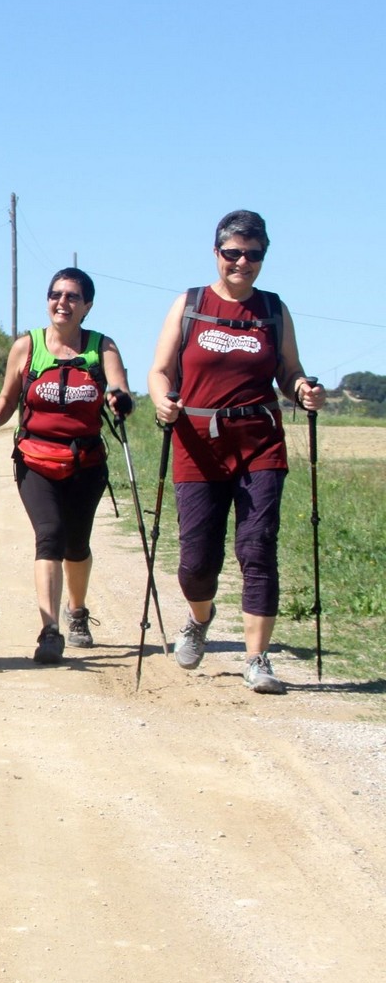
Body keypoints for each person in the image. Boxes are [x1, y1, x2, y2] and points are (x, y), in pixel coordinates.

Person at [147, 209, 325, 695]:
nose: (243, 262)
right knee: (197, 560)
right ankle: (199, 618)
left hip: (259, 442)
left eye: (253, 254)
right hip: (197, 443)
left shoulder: (273, 309)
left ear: (263, 257)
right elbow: (160, 370)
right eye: (233, 253)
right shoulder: (190, 304)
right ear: (216, 252)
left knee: (257, 547)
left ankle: (256, 658)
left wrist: (302, 389)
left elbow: (289, 370)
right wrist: (162, 401)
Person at [0, 267, 132, 664]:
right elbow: (7, 399)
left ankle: (76, 611)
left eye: (72, 296)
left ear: (87, 306)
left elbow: (118, 387)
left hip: (86, 463)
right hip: (35, 460)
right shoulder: (27, 347)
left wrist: (119, 399)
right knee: (50, 536)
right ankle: (50, 631)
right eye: (55, 295)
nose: (62, 302)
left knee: (76, 545)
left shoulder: (102, 347)